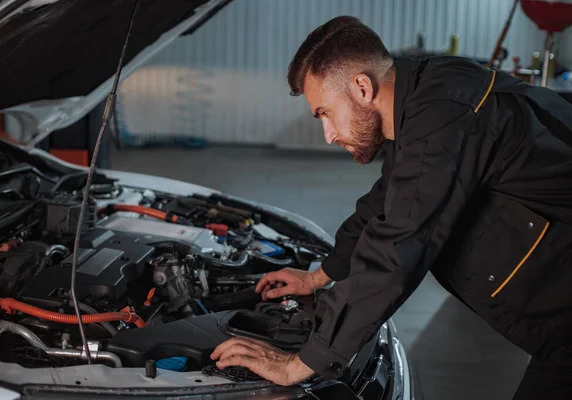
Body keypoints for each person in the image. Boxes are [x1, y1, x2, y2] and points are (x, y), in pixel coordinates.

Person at [210, 16, 572, 399]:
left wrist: (303, 362)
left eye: (325, 113)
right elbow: (388, 197)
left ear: (362, 87)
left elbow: (398, 245)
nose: (328, 135)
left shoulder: (445, 114)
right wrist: (319, 276)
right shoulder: (424, 92)